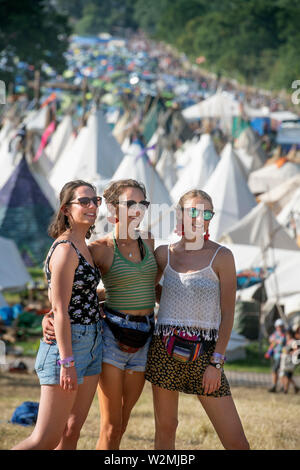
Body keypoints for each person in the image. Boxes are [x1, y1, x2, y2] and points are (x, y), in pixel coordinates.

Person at [42, 179, 157, 450]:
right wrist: (49, 315)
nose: (138, 210)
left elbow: (150, 286)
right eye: (131, 203)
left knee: (123, 423)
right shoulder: (99, 248)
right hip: (111, 337)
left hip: (145, 338)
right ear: (114, 209)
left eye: (143, 203)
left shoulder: (150, 242)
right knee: (110, 424)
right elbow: (73, 291)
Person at [145, 189, 250, 450]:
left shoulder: (222, 256)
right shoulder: (163, 253)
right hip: (164, 351)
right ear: (180, 214)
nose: (198, 217)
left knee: (236, 441)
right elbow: (145, 288)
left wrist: (217, 362)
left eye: (205, 213)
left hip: (206, 355)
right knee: (166, 430)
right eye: (192, 211)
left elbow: (228, 314)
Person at [13, 180, 103, 450]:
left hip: (91, 342)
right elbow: (60, 310)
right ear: (66, 209)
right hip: (68, 346)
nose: (92, 206)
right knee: (45, 439)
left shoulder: (83, 244)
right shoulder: (65, 249)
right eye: (84, 201)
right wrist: (67, 361)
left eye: (95, 201)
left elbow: (79, 295)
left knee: (70, 430)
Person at [266, 318, 286, 393]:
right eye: (278, 326)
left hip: (281, 355)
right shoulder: (276, 333)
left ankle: (278, 386)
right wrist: (275, 340)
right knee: (277, 371)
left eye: (280, 326)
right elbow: (270, 339)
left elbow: (281, 342)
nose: (279, 327)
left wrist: (275, 340)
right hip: (275, 355)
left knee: (277, 370)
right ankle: (280, 386)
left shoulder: (284, 334)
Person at [279, 328, 300, 394]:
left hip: (290, 361)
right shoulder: (287, 341)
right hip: (285, 360)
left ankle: (286, 390)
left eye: (288, 335)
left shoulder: (293, 341)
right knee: (285, 375)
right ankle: (294, 387)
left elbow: (296, 350)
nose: (287, 336)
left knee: (287, 375)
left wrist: (290, 353)